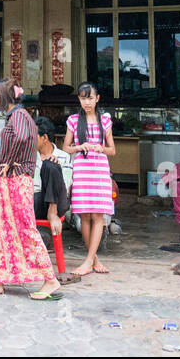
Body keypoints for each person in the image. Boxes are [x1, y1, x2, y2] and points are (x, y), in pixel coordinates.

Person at [0, 78, 62, 300]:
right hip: (9, 182)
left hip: (16, 181)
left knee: (24, 229)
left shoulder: (20, 115)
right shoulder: (15, 116)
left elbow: (24, 137)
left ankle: (49, 279)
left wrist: (11, 161)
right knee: (1, 228)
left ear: (5, 97)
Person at [63, 82, 117, 276]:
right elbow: (66, 147)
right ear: (79, 99)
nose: (87, 102)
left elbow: (112, 150)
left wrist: (101, 148)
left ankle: (88, 261)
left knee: (98, 216)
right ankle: (93, 259)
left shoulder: (105, 121)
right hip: (82, 170)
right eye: (83, 98)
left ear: (97, 99)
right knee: (84, 215)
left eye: (90, 98)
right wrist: (80, 146)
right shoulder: (74, 121)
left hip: (100, 171)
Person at [33, 121, 72, 233]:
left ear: (44, 137)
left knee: (50, 165)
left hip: (59, 202)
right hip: (37, 201)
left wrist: (55, 167)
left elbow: (65, 183)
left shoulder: (64, 156)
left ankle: (52, 211)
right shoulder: (30, 156)